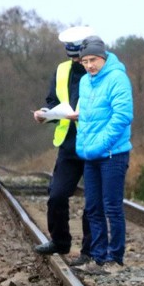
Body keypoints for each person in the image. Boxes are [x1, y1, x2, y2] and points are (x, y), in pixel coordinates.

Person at [32, 25, 94, 266]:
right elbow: (53, 101)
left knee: (93, 200)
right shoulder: (61, 70)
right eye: (74, 57)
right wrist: (45, 114)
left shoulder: (99, 71)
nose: (78, 61)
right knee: (56, 195)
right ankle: (60, 242)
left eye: (79, 56)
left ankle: (89, 250)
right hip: (68, 144)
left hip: (93, 143)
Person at [73, 36, 134, 275]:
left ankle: (114, 258)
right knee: (93, 208)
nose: (89, 65)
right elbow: (86, 118)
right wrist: (86, 144)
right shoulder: (85, 82)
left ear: (103, 57)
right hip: (91, 155)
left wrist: (101, 143)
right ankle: (97, 257)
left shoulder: (117, 78)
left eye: (93, 60)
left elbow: (122, 116)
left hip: (112, 154)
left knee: (112, 207)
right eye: (85, 61)